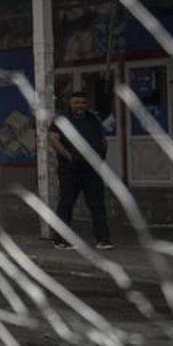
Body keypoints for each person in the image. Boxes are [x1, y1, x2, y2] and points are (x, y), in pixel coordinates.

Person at [48, 90, 112, 250]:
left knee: (97, 204)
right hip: (70, 169)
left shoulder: (93, 119)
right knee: (66, 203)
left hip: (92, 169)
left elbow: (102, 138)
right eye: (76, 102)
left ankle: (103, 239)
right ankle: (60, 240)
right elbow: (53, 139)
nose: (80, 106)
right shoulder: (61, 120)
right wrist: (68, 156)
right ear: (70, 103)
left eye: (83, 103)